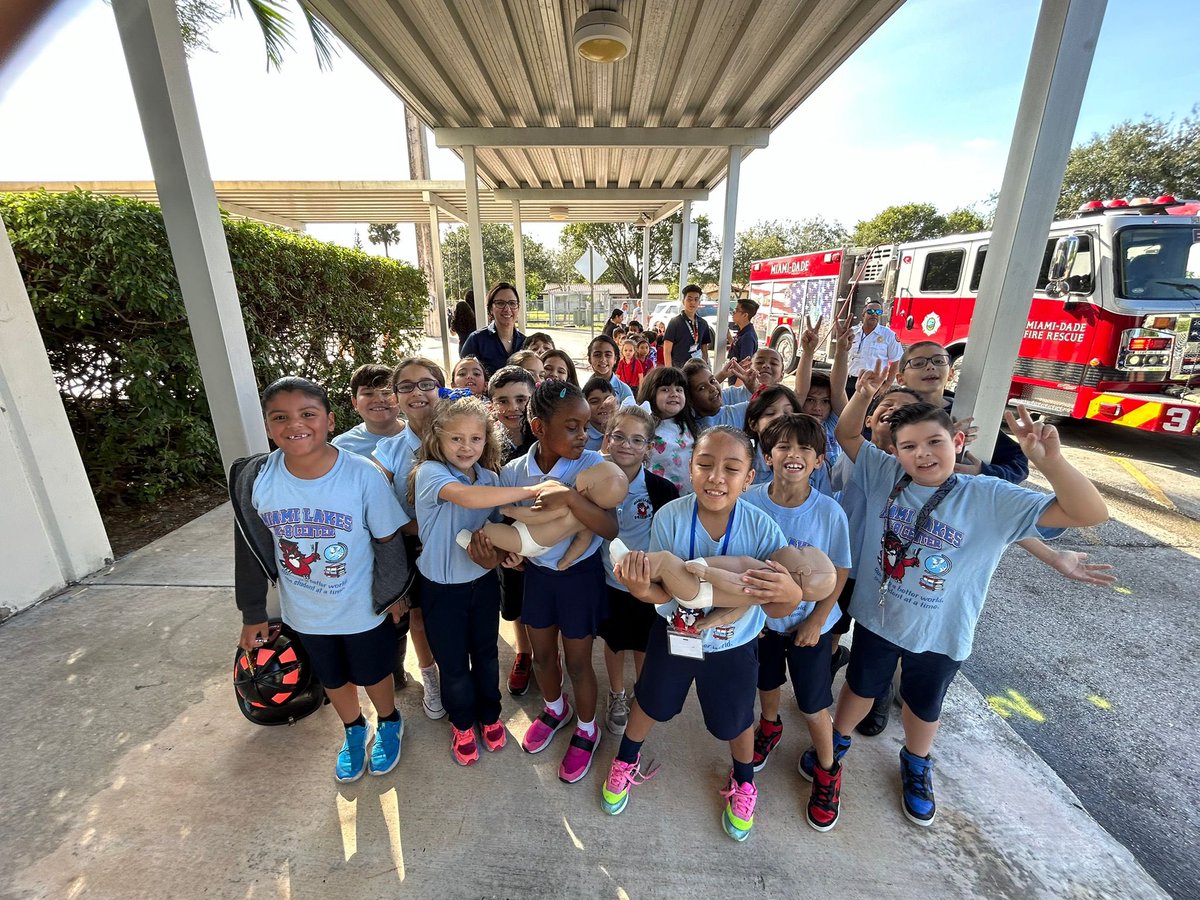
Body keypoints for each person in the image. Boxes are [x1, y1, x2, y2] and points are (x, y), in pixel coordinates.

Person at [825, 362, 1108, 827]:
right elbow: (848, 434)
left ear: (957, 441)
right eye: (909, 446)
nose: (922, 454)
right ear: (894, 451)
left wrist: (1050, 462)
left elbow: (1088, 513)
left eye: (934, 442)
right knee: (859, 686)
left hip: (943, 630)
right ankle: (835, 741)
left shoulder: (989, 496)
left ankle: (916, 762)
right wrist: (863, 395)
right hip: (878, 618)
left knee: (923, 704)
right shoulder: (884, 475)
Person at [600, 426, 806, 842]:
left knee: (736, 720)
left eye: (731, 468)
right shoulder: (670, 517)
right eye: (705, 465)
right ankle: (625, 759)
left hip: (733, 643)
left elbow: (777, 605)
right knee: (650, 701)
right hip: (674, 634)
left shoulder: (764, 529)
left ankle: (744, 781)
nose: (716, 477)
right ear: (690, 469)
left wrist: (791, 593)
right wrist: (640, 588)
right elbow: (659, 592)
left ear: (749, 477)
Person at [233, 377, 409, 782]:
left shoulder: (361, 474)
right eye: (280, 417)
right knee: (332, 676)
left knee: (373, 672)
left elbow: (387, 540)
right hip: (306, 612)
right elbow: (249, 547)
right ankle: (353, 729)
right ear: (267, 425)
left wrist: (393, 592)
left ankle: (389, 721)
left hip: (362, 606)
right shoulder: (258, 479)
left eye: (308, 414)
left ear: (330, 421)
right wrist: (252, 612)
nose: (295, 424)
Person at [408, 395, 555, 765]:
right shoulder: (431, 473)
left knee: (487, 656)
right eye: (456, 438)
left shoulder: (490, 478)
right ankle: (461, 723)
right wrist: (534, 490)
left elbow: (497, 529)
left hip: (483, 584)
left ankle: (490, 715)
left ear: (487, 439)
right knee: (454, 663)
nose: (466, 447)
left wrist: (509, 554)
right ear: (437, 438)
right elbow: (468, 498)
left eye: (475, 438)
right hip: (442, 590)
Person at [490, 380, 619, 783]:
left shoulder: (594, 465)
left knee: (579, 662)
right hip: (538, 578)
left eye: (586, 426)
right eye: (572, 427)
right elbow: (507, 525)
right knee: (543, 656)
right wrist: (509, 556)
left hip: (579, 579)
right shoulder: (514, 471)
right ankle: (554, 708)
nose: (583, 435)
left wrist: (571, 498)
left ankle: (587, 729)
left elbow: (610, 528)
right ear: (538, 427)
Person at [741, 414, 852, 832]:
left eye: (806, 448)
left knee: (813, 703)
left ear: (819, 460)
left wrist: (818, 619)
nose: (794, 454)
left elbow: (841, 569)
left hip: (810, 627)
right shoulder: (749, 501)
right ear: (767, 456)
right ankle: (769, 727)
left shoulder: (829, 512)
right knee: (766, 682)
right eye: (784, 446)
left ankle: (828, 771)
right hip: (761, 622)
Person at [597, 404, 678, 736]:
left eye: (636, 440)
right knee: (614, 642)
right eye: (618, 437)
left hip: (646, 585)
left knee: (645, 644)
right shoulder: (593, 482)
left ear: (648, 448)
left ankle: (641, 693)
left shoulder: (662, 490)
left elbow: (670, 541)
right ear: (607, 439)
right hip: (608, 582)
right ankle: (616, 693)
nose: (626, 445)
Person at [372, 357, 447, 716]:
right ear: (396, 397)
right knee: (418, 616)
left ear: (441, 389)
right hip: (412, 545)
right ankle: (430, 675)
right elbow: (375, 500)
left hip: (457, 543)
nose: (417, 392)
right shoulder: (388, 450)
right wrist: (409, 527)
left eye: (426, 384)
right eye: (406, 386)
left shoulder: (461, 436)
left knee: (455, 612)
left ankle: (457, 670)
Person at [484, 366, 540, 697]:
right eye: (503, 400)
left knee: (545, 602)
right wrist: (505, 549)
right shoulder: (485, 445)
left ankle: (549, 654)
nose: (513, 407)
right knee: (515, 601)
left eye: (521, 399)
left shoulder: (545, 439)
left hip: (544, 538)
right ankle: (524, 652)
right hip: (506, 539)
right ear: (491, 404)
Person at [638, 365, 701, 494]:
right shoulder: (642, 426)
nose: (674, 394)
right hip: (656, 497)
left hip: (688, 498)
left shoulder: (688, 424)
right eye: (665, 389)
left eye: (679, 390)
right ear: (651, 393)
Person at [332, 363, 405, 457]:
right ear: (355, 402)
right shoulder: (342, 447)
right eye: (368, 393)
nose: (379, 399)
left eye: (386, 392)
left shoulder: (419, 434)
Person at [460, 283, 526, 378]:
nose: (507, 309)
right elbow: (464, 376)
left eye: (512, 303)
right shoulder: (476, 340)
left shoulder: (525, 342)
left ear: (518, 308)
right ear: (491, 309)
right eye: (500, 303)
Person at [743, 384, 803, 487]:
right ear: (753, 424)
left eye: (787, 413)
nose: (780, 417)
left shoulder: (811, 459)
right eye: (770, 413)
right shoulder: (743, 462)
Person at [683, 358, 751, 430]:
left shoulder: (735, 413)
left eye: (712, 381)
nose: (713, 388)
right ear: (689, 399)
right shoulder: (684, 428)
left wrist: (755, 388)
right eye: (702, 388)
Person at [846, 303, 903, 385]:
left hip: (874, 383)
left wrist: (887, 384)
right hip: (850, 380)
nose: (874, 314)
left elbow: (896, 361)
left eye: (878, 312)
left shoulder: (889, 335)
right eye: (870, 311)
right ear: (863, 315)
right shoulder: (852, 332)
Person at [663, 285, 713, 368]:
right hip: (678, 368)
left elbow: (704, 348)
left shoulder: (703, 323)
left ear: (699, 302)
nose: (692, 302)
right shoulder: (674, 322)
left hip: (697, 368)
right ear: (683, 301)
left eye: (696, 299)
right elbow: (667, 351)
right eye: (689, 299)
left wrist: (704, 366)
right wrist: (669, 371)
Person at [587, 334, 635, 404]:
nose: (603, 359)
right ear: (589, 359)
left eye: (608, 355)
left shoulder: (624, 391)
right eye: (597, 355)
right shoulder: (584, 390)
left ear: (615, 359)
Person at [727, 299, 760, 379]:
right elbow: (737, 347)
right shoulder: (743, 332)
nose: (733, 312)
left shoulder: (748, 337)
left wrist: (738, 384)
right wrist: (729, 337)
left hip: (738, 379)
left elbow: (746, 365)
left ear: (745, 315)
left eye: (736, 310)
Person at [582, 375, 616, 451]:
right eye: (594, 401)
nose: (603, 405)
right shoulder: (582, 437)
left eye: (608, 400)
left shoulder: (622, 431)